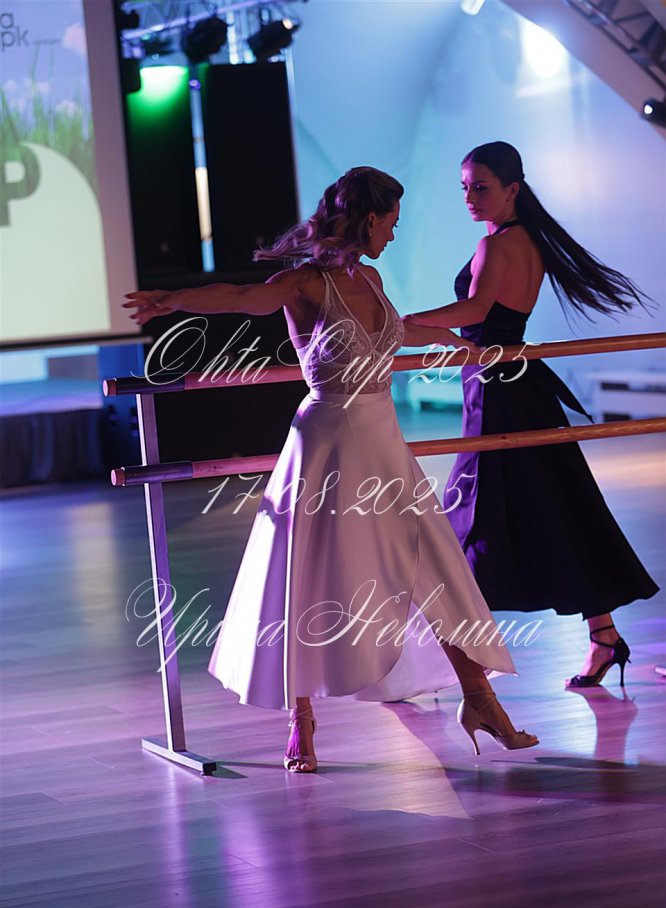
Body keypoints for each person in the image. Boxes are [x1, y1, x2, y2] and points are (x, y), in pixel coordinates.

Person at [124, 166, 538, 772]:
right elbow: (241, 299)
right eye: (391, 223)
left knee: (430, 566)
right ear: (369, 219)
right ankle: (301, 720)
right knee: (306, 577)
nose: (393, 234)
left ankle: (481, 701)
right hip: (327, 446)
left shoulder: (369, 278)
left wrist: (455, 341)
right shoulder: (303, 283)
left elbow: (398, 330)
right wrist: (172, 301)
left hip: (384, 443)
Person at [402, 141, 659, 691]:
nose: (470, 197)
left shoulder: (496, 244)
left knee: (471, 518)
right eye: (465, 188)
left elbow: (475, 311)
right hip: (513, 384)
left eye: (481, 187)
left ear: (512, 189)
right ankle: (603, 636)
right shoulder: (526, 239)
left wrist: (400, 322)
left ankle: (436, 658)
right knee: (555, 509)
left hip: (497, 390)